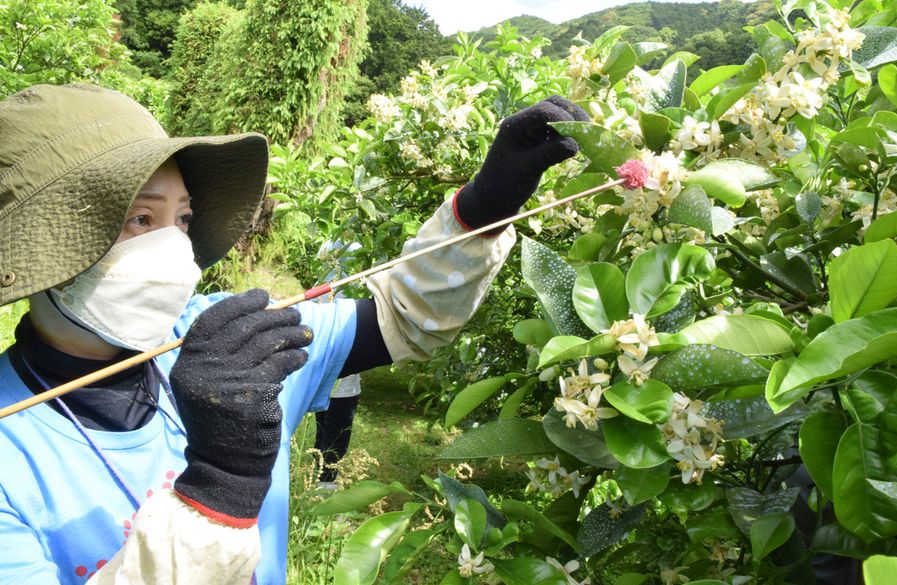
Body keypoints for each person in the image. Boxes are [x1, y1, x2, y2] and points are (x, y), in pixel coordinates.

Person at [0, 83, 588, 584]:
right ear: (41, 252)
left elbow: (403, 317)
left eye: (182, 218)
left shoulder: (229, 337)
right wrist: (221, 482)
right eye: (139, 218)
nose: (174, 247)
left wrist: (489, 201)